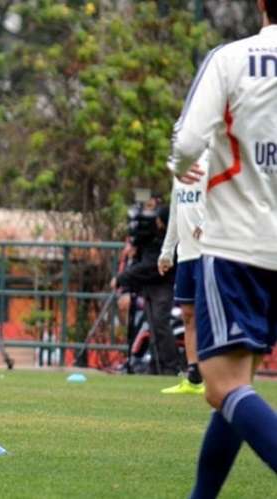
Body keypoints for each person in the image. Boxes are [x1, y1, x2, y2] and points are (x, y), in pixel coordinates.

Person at [168, 1, 277, 495]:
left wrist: (179, 164)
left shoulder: (231, 58)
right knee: (241, 382)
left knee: (223, 386)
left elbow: (190, 139)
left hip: (240, 244)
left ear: (260, 4)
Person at [157, 152, 209, 395]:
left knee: (208, 314)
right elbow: (176, 214)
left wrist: (207, 224)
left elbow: (226, 201)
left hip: (209, 253)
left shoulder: (214, 162)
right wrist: (167, 251)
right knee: (188, 315)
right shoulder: (181, 173)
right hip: (186, 254)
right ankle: (194, 376)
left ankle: (215, 375)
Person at [112, 204, 183, 376]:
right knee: (153, 325)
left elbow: (150, 266)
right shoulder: (149, 241)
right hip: (150, 288)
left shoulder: (166, 242)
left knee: (160, 324)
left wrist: (123, 278)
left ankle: (169, 366)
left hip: (163, 287)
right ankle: (156, 363)